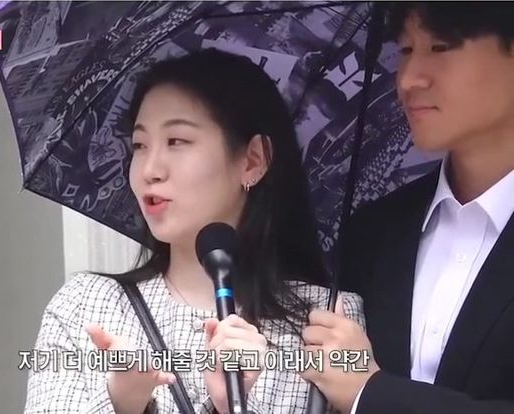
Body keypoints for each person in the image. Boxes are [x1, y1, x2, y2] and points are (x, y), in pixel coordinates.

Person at [23, 48, 365, 414]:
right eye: (139, 145)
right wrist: (123, 404)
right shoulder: (87, 306)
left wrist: (229, 405)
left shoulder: (327, 321)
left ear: (252, 160)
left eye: (177, 141)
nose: (149, 169)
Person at [299, 2, 514, 414]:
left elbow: (361, 389)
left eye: (440, 47)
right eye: (406, 50)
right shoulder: (375, 231)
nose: (409, 79)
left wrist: (370, 394)